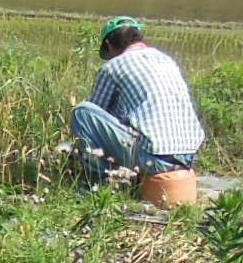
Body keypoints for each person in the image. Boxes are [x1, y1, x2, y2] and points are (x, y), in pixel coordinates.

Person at [70, 17, 206, 188]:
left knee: (82, 112)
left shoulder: (113, 66)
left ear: (110, 46)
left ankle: (99, 183)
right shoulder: (166, 60)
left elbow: (97, 114)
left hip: (153, 157)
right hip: (188, 156)